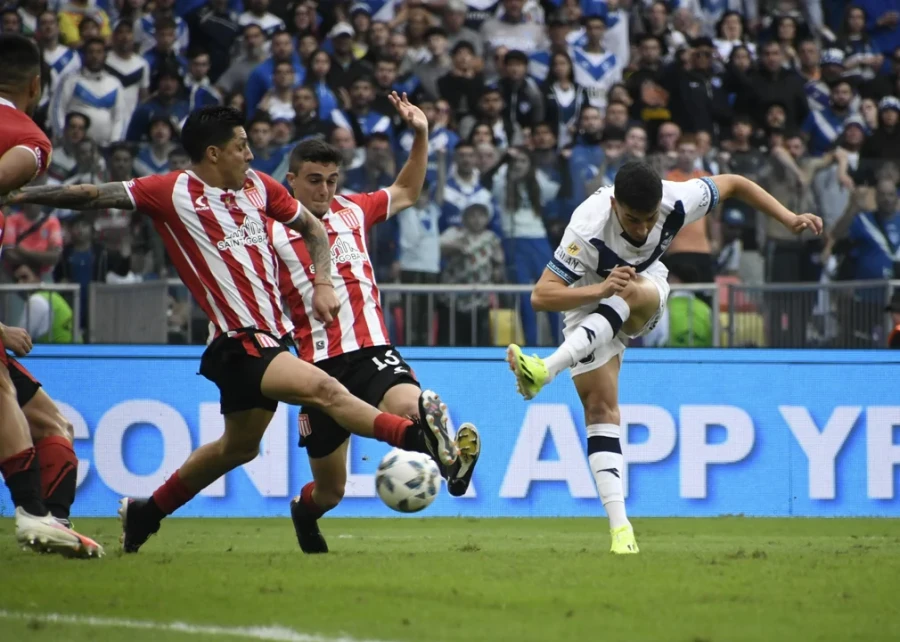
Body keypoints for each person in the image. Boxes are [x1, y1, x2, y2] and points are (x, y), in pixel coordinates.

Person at [4, 104, 460, 554]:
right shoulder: (170, 191)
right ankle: (415, 437)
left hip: (272, 339)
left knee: (237, 448)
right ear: (213, 153)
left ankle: (147, 512)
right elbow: (91, 195)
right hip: (238, 341)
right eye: (242, 146)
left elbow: (315, 231)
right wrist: (23, 194)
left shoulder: (260, 189)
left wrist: (322, 281)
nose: (251, 155)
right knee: (326, 390)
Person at [506, 161, 823, 554]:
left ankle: (546, 368)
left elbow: (736, 184)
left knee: (626, 290)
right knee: (601, 409)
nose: (641, 230)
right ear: (613, 205)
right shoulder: (586, 226)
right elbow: (542, 296)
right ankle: (622, 532)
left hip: (644, 288)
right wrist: (598, 291)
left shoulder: (677, 200)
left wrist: (790, 217)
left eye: (648, 219)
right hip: (589, 297)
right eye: (631, 220)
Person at [268, 96, 480, 554]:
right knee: (330, 493)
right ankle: (303, 513)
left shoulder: (353, 210)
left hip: (371, 351)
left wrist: (421, 134)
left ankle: (445, 457)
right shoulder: (270, 230)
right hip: (315, 368)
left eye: (331, 180)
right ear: (292, 180)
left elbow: (406, 192)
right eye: (314, 181)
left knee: (414, 404)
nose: (324, 190)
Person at [0, 33, 102, 558]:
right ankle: (34, 516)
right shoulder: (30, 139)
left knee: (49, 420)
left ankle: (52, 521)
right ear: (36, 85)